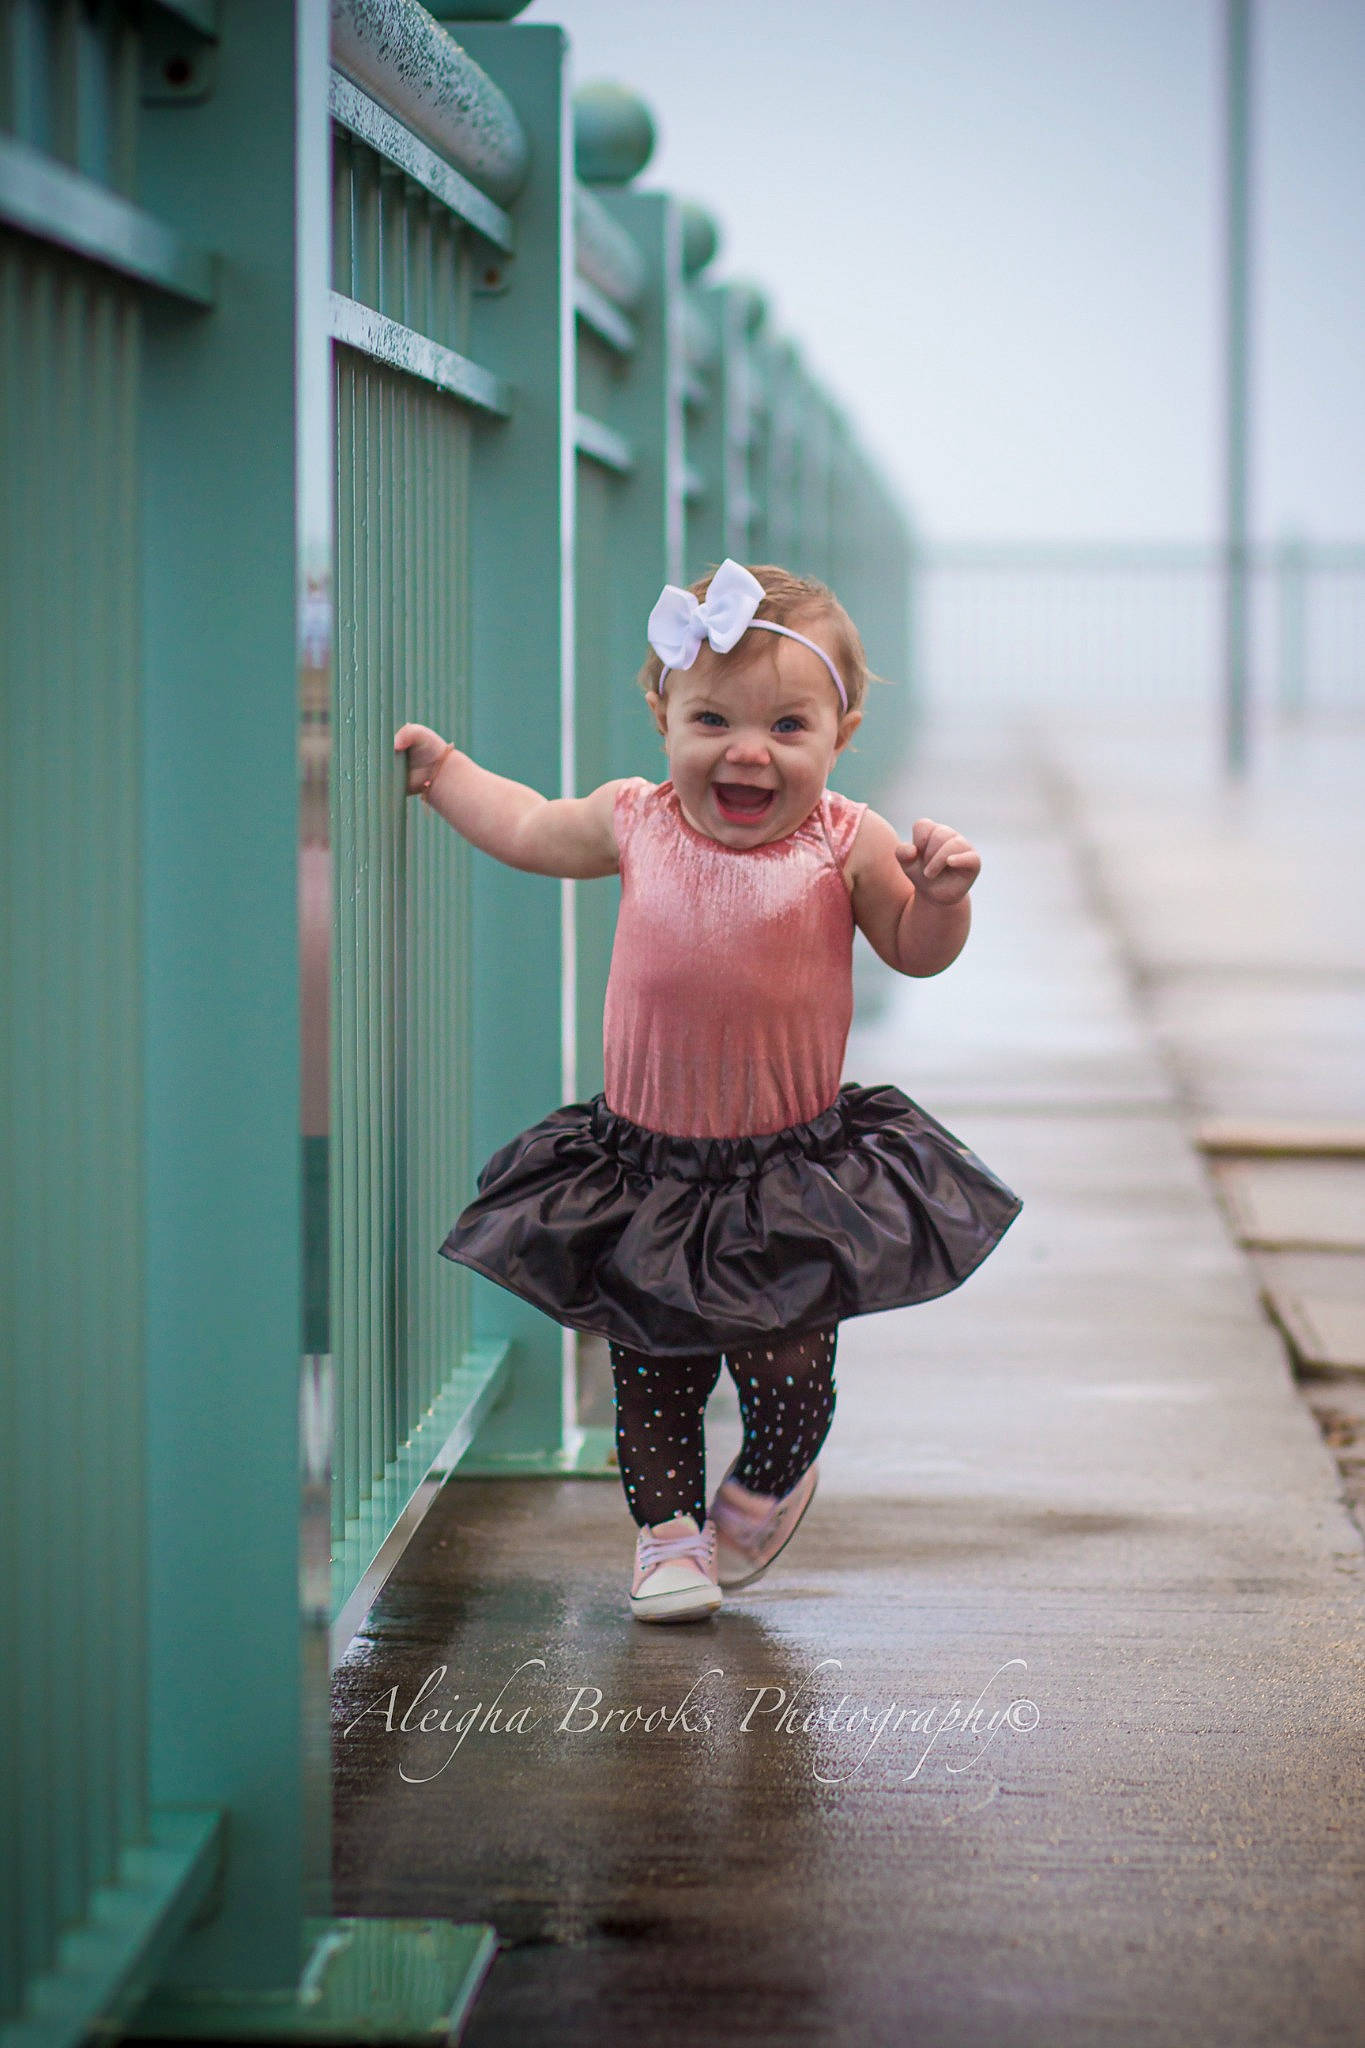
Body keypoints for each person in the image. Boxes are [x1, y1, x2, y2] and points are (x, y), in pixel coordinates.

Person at [394, 560, 1020, 1625]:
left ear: (843, 730)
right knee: (655, 1368)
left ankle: (770, 1480)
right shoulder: (634, 821)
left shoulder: (847, 840)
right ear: (662, 714)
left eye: (787, 725)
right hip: (650, 1165)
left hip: (787, 1169)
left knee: (787, 1370)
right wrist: (445, 770)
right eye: (712, 718)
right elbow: (530, 825)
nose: (747, 749)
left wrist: (943, 900)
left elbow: (914, 950)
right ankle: (668, 1534)